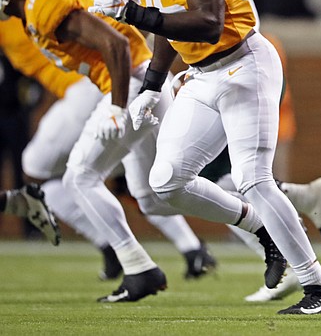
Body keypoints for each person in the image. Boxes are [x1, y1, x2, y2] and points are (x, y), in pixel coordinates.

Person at [90, 0, 321, 314]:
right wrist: (151, 85)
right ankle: (262, 230)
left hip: (246, 64)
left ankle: (320, 288)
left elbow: (208, 23)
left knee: (253, 178)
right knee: (165, 181)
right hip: (201, 76)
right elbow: (165, 22)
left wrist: (130, 13)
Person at [0, 0, 184, 303]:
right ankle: (260, 222)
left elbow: (114, 45)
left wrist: (116, 107)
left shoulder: (41, 4)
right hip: (139, 81)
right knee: (156, 194)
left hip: (132, 84)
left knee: (79, 177)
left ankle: (139, 268)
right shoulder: (40, 2)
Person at [0, 15, 217, 281]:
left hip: (91, 90)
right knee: (136, 186)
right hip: (111, 86)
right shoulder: (37, 6)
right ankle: (192, 249)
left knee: (36, 170)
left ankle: (114, 246)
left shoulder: (34, 5)